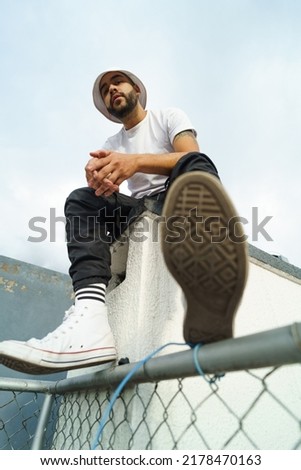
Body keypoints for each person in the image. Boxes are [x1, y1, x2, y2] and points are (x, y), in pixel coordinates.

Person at [0, 69, 248, 375]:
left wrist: (134, 162)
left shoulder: (168, 117)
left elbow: (189, 155)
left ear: (137, 89)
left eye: (117, 82)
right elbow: (108, 187)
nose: (111, 90)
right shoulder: (112, 141)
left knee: (198, 164)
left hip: (175, 197)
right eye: (105, 89)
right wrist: (100, 181)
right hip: (137, 210)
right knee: (81, 199)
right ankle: (90, 320)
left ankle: (206, 273)